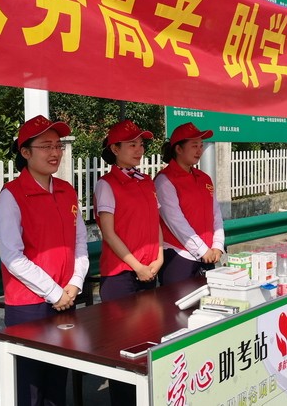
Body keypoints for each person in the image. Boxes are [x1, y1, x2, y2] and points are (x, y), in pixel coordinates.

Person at [0, 115, 89, 406]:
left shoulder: (66, 190)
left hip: (65, 298)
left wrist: (74, 283)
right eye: (46, 146)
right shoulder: (12, 196)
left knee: (56, 381)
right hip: (29, 306)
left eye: (58, 146)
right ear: (25, 152)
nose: (55, 153)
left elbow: (79, 241)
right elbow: (12, 255)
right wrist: (54, 292)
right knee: (30, 387)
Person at [94, 119, 164, 405]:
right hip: (121, 275)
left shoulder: (146, 181)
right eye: (132, 144)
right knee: (123, 349)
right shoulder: (107, 184)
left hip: (149, 270)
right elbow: (109, 233)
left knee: (148, 341)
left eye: (141, 144)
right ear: (115, 148)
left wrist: (159, 256)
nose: (139, 149)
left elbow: (156, 222)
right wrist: (138, 266)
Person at [155, 122, 225, 285]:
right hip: (179, 256)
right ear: (178, 149)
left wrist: (218, 244)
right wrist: (202, 250)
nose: (199, 150)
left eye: (201, 145)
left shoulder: (204, 178)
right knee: (178, 302)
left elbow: (216, 213)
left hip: (208, 255)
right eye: (194, 146)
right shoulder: (164, 180)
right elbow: (175, 221)